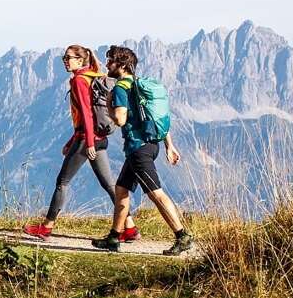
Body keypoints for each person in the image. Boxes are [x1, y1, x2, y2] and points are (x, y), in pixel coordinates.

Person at [25, 45, 138, 242]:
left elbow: (86, 113)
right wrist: (73, 141)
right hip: (99, 137)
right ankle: (129, 228)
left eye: (69, 58)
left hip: (88, 140)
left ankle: (46, 228)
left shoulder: (78, 80)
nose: (65, 61)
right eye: (64, 58)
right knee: (109, 185)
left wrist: (88, 143)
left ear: (80, 60)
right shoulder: (93, 75)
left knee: (62, 182)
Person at [91, 46, 194, 256]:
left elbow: (119, 119)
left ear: (121, 65)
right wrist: (169, 145)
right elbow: (155, 117)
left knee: (156, 193)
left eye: (110, 61)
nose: (107, 65)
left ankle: (182, 236)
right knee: (121, 189)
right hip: (149, 145)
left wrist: (109, 104)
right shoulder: (138, 85)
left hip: (138, 150)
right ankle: (113, 237)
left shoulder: (120, 88)